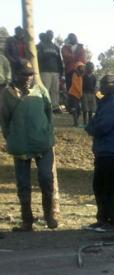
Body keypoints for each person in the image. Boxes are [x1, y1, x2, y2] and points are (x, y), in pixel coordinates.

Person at [0, 60, 59, 231]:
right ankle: (27, 221)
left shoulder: (41, 90)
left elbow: (49, 114)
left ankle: (49, 216)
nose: (28, 78)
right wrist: (12, 138)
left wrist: (47, 134)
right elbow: (5, 120)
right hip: (20, 145)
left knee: (46, 179)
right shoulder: (8, 94)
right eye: (24, 74)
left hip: (43, 144)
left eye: (30, 74)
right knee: (23, 184)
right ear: (16, 74)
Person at [85, 74, 114, 231]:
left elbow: (100, 127)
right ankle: (102, 219)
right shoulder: (105, 103)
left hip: (112, 151)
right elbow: (94, 123)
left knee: (111, 188)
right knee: (100, 186)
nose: (100, 87)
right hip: (103, 151)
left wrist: (91, 127)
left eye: (104, 84)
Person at [36, 30, 63, 112]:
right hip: (45, 70)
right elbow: (38, 58)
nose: (50, 36)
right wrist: (47, 55)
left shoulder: (56, 47)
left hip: (55, 71)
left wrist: (61, 71)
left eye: (52, 35)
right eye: (49, 35)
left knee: (55, 90)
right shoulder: (40, 45)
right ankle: (44, 106)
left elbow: (59, 60)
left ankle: (55, 107)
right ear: (46, 35)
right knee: (45, 89)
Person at [67, 63, 84, 127]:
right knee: (74, 109)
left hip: (78, 95)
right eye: (81, 66)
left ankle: (75, 122)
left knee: (78, 110)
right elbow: (74, 84)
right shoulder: (75, 74)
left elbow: (80, 85)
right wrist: (80, 91)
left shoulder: (81, 75)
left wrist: (80, 93)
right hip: (73, 94)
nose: (82, 68)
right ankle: (76, 123)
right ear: (78, 67)